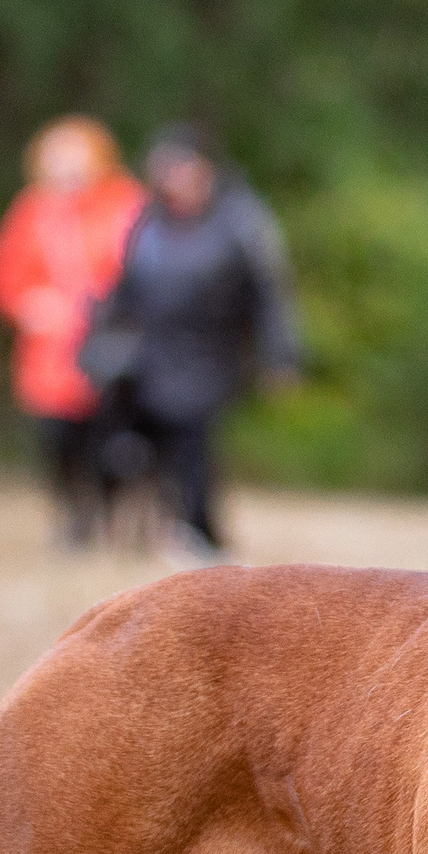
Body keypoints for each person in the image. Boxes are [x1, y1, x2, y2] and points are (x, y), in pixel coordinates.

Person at [86, 125, 300, 560]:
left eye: (180, 167)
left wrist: (280, 355)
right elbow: (123, 288)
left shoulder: (241, 220)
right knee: (129, 439)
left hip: (211, 351)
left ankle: (198, 529)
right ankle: (142, 525)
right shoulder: (148, 221)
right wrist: (99, 340)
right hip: (151, 351)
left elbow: (269, 294)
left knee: (191, 438)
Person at [0, 116, 145, 546]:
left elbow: (145, 272)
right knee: (57, 441)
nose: (65, 168)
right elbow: (3, 272)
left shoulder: (126, 205)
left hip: (109, 348)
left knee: (112, 443)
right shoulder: (34, 209)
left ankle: (114, 517)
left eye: (75, 157)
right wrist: (27, 305)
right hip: (51, 353)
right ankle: (73, 518)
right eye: (56, 158)